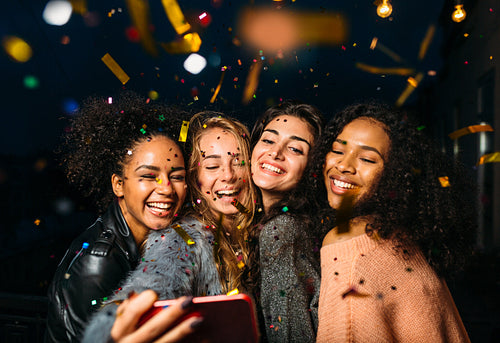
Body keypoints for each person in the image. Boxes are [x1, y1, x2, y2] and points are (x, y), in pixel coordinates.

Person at [308, 102, 475, 342]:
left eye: (367, 159)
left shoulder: (348, 246)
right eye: (337, 150)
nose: (344, 166)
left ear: (395, 175)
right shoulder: (398, 235)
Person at [82, 114, 257, 342]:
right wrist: (113, 332)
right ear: (194, 179)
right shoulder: (183, 239)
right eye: (212, 165)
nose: (228, 175)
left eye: (238, 162)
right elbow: (154, 283)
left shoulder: (256, 233)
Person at [45, 92, 189, 343]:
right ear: (119, 185)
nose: (166, 188)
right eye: (148, 176)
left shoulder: (160, 241)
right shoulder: (99, 264)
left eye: (176, 176)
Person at [248, 100, 325, 342]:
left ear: (311, 167)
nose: (275, 152)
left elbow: (291, 334)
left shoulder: (281, 230)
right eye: (268, 140)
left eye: (295, 149)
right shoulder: (285, 223)